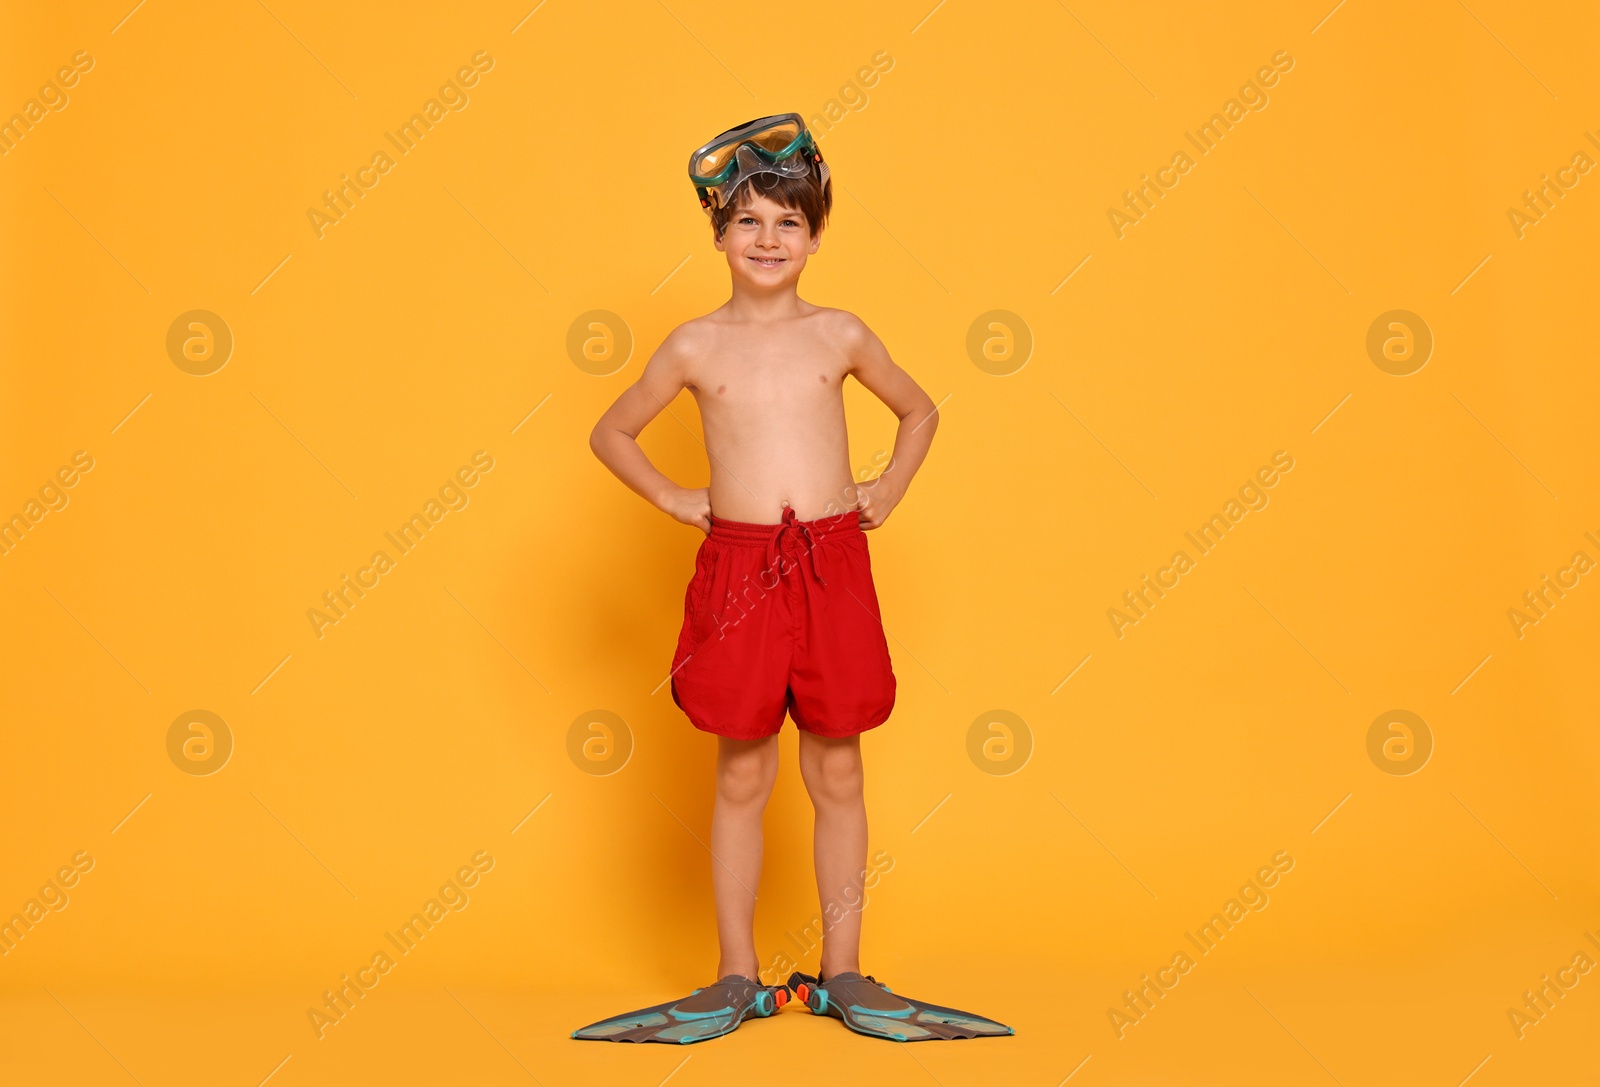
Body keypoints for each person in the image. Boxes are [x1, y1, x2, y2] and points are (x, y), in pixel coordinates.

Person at [575, 115, 1011, 1044]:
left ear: (815, 236)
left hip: (830, 562)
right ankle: (735, 976)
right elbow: (611, 431)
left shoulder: (841, 334)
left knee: (838, 765)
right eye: (748, 223)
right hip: (736, 566)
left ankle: (844, 969)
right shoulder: (693, 346)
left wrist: (885, 490)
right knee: (740, 771)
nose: (768, 240)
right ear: (719, 234)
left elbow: (919, 409)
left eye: (787, 223)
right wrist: (675, 499)